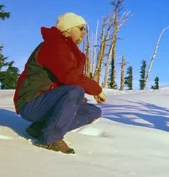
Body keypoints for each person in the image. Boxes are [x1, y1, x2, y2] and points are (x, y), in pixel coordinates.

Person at [13, 12, 106, 154]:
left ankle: (39, 128)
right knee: (74, 90)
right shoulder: (53, 45)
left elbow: (66, 80)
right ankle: (50, 138)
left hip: (45, 101)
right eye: (81, 28)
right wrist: (96, 90)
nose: (84, 32)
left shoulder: (69, 50)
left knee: (92, 111)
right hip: (30, 102)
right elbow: (70, 77)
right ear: (67, 29)